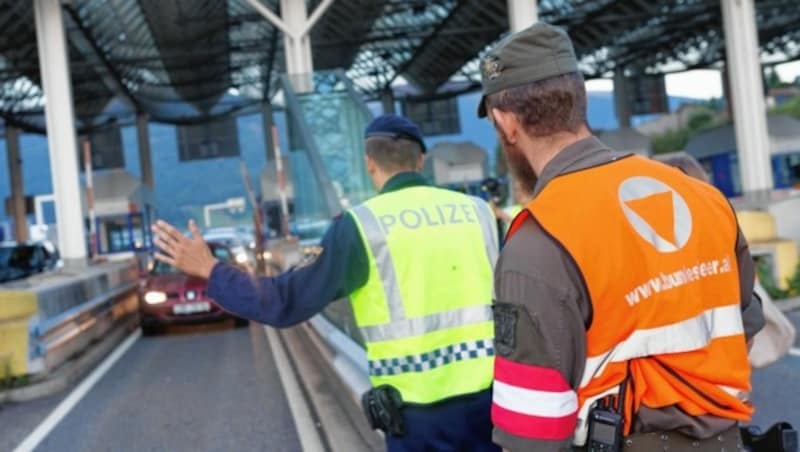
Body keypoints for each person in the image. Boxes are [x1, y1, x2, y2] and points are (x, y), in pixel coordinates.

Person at [477, 24, 764, 451]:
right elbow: (748, 321)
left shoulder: (539, 240)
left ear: (505, 123)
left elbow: (531, 431)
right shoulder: (701, 196)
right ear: (579, 102)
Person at [151, 114, 500, 452]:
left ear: (369, 163)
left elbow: (284, 301)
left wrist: (212, 270)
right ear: (421, 158)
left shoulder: (362, 227)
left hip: (416, 418)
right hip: (494, 404)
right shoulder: (479, 212)